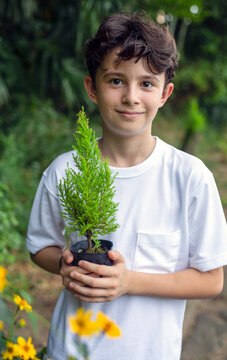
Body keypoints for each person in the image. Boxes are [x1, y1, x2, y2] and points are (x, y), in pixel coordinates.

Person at [26, 12, 227, 360]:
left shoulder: (190, 178)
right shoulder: (64, 170)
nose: (131, 96)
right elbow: (40, 246)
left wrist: (129, 281)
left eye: (146, 83)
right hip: (71, 351)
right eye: (116, 81)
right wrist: (63, 262)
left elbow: (211, 280)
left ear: (165, 93)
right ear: (92, 88)